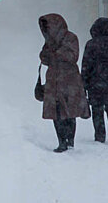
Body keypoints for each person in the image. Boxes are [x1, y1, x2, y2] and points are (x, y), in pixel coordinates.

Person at [39, 14, 91, 153]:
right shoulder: (49, 41)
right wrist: (48, 53)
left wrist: (56, 53)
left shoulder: (71, 38)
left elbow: (73, 56)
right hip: (54, 80)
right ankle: (62, 142)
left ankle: (70, 140)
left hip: (69, 80)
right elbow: (44, 58)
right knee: (56, 113)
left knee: (70, 111)